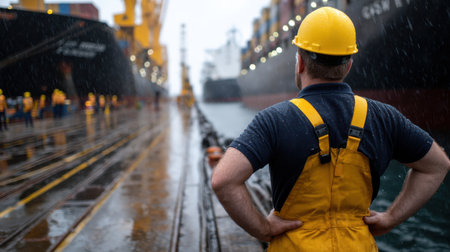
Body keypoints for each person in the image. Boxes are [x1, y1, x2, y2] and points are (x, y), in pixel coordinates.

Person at [211, 7, 450, 251]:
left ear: (300, 62)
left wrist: (264, 229)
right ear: (348, 65)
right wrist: (390, 218)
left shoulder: (275, 119)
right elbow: (437, 165)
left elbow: (223, 180)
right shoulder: (384, 117)